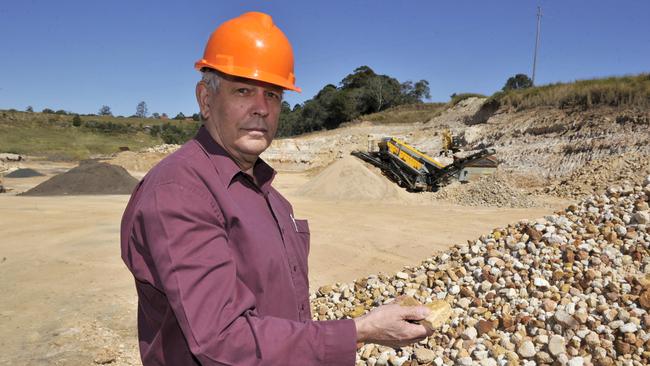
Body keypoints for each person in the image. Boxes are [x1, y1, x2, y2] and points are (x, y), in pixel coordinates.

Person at [121, 12, 433, 365]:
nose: (261, 109)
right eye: (243, 90)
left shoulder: (270, 196)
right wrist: (359, 331)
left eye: (272, 94)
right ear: (205, 100)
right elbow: (220, 341)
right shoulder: (180, 192)